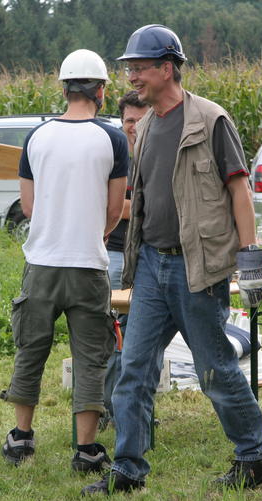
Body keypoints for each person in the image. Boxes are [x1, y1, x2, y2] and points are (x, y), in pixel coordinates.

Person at [83, 24, 262, 496]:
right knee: (134, 369)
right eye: (129, 68)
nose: (131, 77)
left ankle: (255, 458)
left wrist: (250, 259)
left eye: (139, 68)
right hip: (152, 265)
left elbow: (239, 190)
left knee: (215, 370)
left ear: (167, 68)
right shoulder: (146, 125)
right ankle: (128, 469)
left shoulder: (210, 120)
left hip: (197, 268)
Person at [0, 49, 128, 473]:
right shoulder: (113, 139)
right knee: (91, 357)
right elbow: (115, 209)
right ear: (100, 90)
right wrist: (96, 233)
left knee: (31, 349)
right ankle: (86, 450)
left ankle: (21, 437)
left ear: (65, 88)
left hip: (42, 264)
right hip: (89, 265)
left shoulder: (36, 137)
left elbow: (29, 206)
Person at [102, 90, 150, 423]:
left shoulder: (158, 153)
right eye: (129, 120)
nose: (134, 126)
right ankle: (108, 408)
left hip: (149, 255)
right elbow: (108, 205)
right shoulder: (114, 155)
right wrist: (140, 207)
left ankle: (136, 409)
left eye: (140, 120)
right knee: (112, 336)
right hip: (115, 255)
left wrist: (126, 207)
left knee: (141, 339)